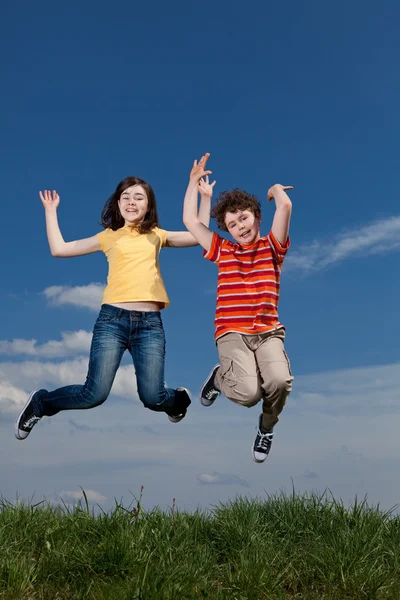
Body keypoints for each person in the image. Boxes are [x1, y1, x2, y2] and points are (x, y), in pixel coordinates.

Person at [15, 157, 213, 441]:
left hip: (149, 326)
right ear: (118, 203)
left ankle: (178, 400)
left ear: (148, 206)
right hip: (112, 321)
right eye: (125, 196)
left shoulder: (157, 235)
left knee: (154, 397)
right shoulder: (107, 237)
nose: (131, 201)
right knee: (93, 395)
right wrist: (50, 212)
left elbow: (199, 233)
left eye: (139, 197)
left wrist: (198, 190)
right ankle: (41, 403)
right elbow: (60, 249)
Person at [183, 154, 294, 462]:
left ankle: (266, 428)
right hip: (232, 333)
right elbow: (191, 222)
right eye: (231, 224)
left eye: (243, 218)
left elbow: (284, 206)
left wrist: (274, 189)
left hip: (268, 332)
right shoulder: (223, 250)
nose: (239, 227)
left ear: (257, 216)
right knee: (248, 394)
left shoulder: (273, 247)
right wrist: (193, 183)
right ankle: (220, 378)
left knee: (279, 382)